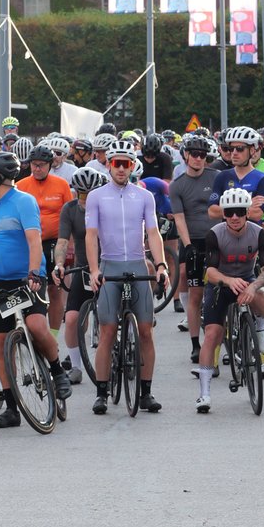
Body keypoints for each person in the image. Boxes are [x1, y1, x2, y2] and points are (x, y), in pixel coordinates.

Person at [0, 150, 71, 428]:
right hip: (1, 282)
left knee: (37, 325)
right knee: (3, 342)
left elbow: (34, 240)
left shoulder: (24, 202)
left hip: (27, 278)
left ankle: (56, 371)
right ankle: (12, 408)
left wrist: (33, 273)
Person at [85, 139, 168, 415]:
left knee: (146, 331)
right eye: (116, 163)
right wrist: (95, 270)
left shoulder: (145, 196)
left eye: (126, 164)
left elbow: (153, 233)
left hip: (136, 266)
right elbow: (91, 235)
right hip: (110, 267)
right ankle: (101, 393)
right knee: (108, 331)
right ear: (109, 165)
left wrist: (161, 265)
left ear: (133, 166)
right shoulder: (96, 196)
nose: (121, 168)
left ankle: (145, 392)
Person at [193, 186, 264, 413]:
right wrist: (229, 281)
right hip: (221, 283)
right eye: (229, 212)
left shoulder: (259, 233)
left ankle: (259, 329)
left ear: (247, 212)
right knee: (212, 334)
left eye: (240, 211)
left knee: (262, 297)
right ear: (223, 214)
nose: (235, 217)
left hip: (248, 280)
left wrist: (254, 285)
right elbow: (210, 272)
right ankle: (204, 394)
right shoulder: (215, 234)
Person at [53, 166, 109, 385]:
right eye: (81, 193)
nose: (85, 199)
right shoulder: (70, 209)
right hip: (84, 268)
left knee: (110, 319)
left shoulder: (108, 207)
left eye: (90, 194)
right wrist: (59, 264)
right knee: (72, 318)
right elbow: (62, 241)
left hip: (109, 266)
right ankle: (76, 366)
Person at [170, 134, 219, 364]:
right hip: (194, 241)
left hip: (218, 239)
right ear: (186, 156)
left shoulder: (216, 176)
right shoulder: (177, 185)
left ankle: (221, 340)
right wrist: (187, 245)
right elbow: (179, 219)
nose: (199, 159)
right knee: (196, 294)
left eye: (203, 155)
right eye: (195, 154)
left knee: (220, 291)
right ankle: (195, 343)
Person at [17, 144, 73, 330]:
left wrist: (70, 246)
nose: (37, 168)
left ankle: (54, 336)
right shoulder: (22, 185)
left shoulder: (61, 184)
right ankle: (32, 330)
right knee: (30, 286)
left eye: (41, 165)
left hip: (53, 243)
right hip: (29, 244)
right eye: (34, 164)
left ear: (50, 165)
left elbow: (70, 215)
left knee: (54, 290)